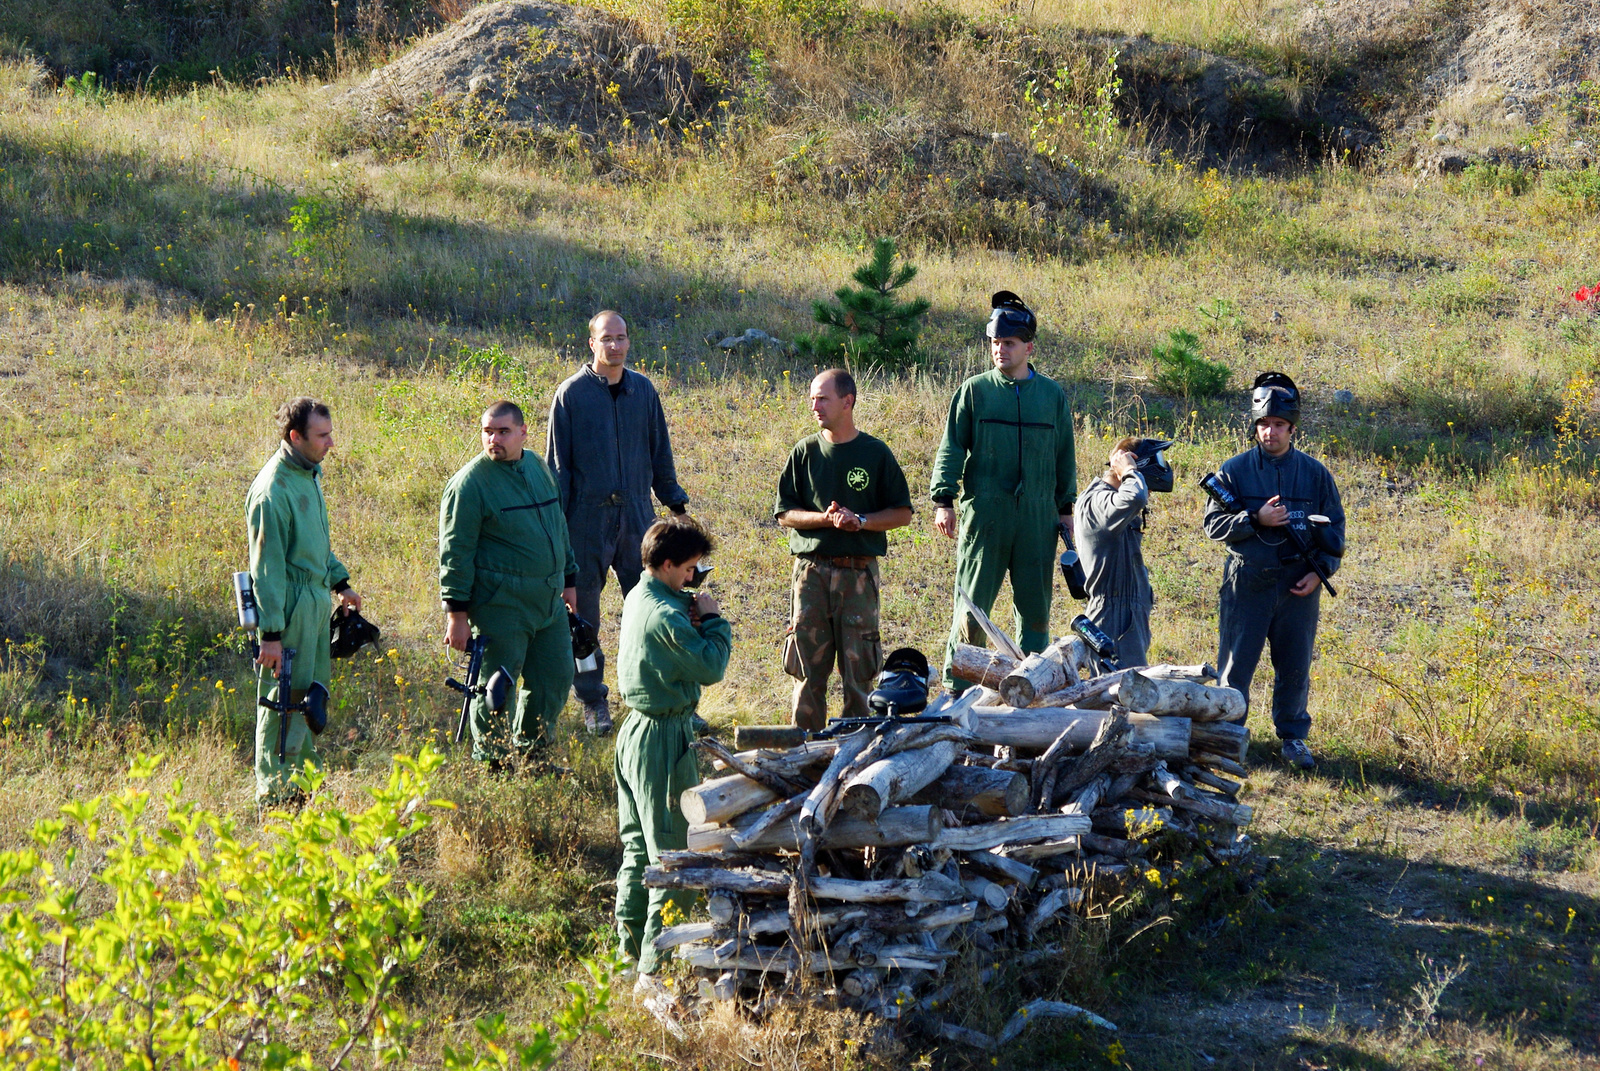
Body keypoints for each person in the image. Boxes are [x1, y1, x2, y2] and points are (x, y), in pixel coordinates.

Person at [547, 310, 690, 736]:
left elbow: (659, 453)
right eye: (607, 338)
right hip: (585, 523)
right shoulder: (570, 395)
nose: (616, 345)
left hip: (637, 520)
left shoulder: (643, 391)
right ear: (591, 343)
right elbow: (559, 470)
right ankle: (593, 701)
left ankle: (662, 696)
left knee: (654, 609)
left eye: (622, 337)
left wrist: (676, 505)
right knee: (582, 619)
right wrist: (558, 533)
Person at [930, 291, 1077, 689]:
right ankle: (956, 687)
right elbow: (951, 447)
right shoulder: (975, 391)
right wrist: (943, 500)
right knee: (973, 607)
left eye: (1008, 343)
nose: (1000, 350)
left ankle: (1031, 686)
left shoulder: (1051, 396)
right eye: (995, 343)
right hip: (986, 515)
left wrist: (1066, 510)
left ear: (1028, 346)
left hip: (1037, 517)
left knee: (1035, 613)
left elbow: (1065, 455)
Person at [1203, 372, 1345, 769]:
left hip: (1298, 585)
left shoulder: (1315, 474)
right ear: (1255, 426)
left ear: (1292, 428)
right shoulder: (1233, 471)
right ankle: (1227, 735)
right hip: (1248, 581)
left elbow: (1335, 530)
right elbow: (1213, 526)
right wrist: (1255, 518)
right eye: (1263, 424)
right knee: (1235, 666)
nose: (1270, 433)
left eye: (1279, 425)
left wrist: (1320, 573)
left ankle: (1293, 738)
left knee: (1295, 666)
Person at [613, 516, 732, 991]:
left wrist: (689, 604)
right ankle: (654, 971)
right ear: (666, 564)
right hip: (663, 741)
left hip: (635, 733)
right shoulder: (665, 616)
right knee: (674, 859)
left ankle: (627, 956)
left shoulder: (641, 595)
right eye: (688, 569)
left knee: (638, 850)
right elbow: (711, 665)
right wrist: (715, 620)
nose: (694, 578)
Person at [440, 400, 578, 765]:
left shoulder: (537, 467)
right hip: (502, 605)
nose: (493, 439)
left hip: (549, 602)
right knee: (495, 689)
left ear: (522, 432)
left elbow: (558, 526)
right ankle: (494, 762)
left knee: (555, 678)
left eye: (502, 432)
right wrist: (456, 614)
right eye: (487, 431)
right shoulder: (469, 485)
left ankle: (533, 753)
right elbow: (456, 552)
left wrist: (569, 580)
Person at [775, 369, 913, 731]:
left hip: (857, 577)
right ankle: (804, 755)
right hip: (811, 576)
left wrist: (861, 521)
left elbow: (902, 513)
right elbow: (784, 513)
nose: (814, 405)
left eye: (823, 398)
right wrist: (824, 519)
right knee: (807, 675)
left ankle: (853, 754)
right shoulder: (804, 452)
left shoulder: (875, 453)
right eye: (812, 398)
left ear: (847, 401)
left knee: (859, 677)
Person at [246, 398, 362, 806]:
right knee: (284, 702)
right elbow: (267, 571)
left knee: (311, 695)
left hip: (313, 600)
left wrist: (340, 582)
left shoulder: (307, 474)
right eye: (322, 435)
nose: (331, 443)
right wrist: (271, 635)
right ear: (296, 437)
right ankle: (274, 794)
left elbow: (315, 544)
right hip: (289, 609)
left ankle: (301, 782)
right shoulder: (272, 489)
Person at [1074, 436, 1174, 669]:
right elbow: (1136, 497)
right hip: (1113, 619)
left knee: (1130, 698)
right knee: (1117, 698)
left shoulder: (1110, 499)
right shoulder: (1099, 501)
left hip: (1127, 617)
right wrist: (1129, 471)